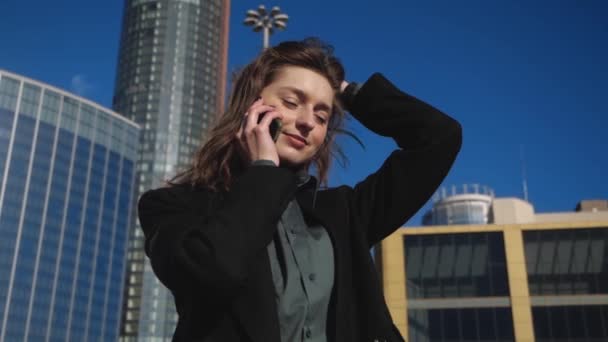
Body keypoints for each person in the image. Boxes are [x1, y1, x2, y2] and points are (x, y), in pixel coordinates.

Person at [137, 38, 462, 342]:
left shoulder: (346, 212)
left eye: (322, 116)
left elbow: (439, 138)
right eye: (292, 102)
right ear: (251, 107)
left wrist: (347, 92)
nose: (308, 121)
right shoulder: (170, 205)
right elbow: (212, 273)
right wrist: (263, 171)